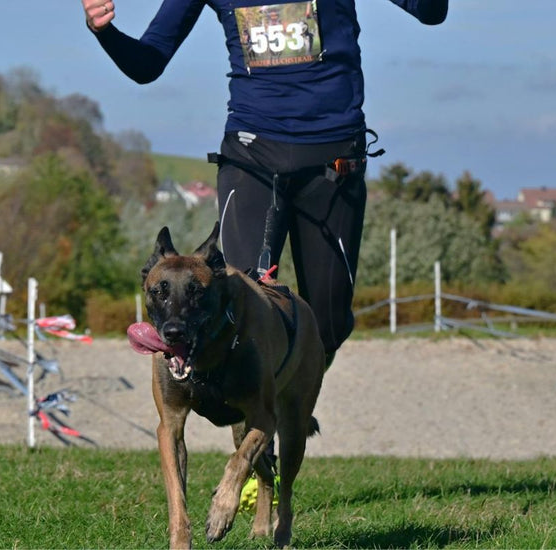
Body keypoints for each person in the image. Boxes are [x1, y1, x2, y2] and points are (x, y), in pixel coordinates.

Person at [82, 0, 448, 366]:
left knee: (328, 326)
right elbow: (147, 63)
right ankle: (250, 411)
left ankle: (291, 404)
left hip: (334, 164)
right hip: (250, 158)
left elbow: (431, 11)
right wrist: (104, 31)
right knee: (247, 310)